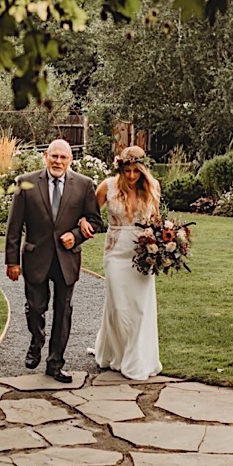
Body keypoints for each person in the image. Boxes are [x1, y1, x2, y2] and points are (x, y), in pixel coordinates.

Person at [5, 139, 104, 383]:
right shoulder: (25, 183)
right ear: (46, 157)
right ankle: (36, 340)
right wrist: (12, 261)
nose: (58, 161)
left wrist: (77, 234)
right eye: (54, 156)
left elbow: (96, 221)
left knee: (63, 312)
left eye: (63, 157)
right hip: (35, 256)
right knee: (35, 308)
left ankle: (55, 363)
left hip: (67, 259)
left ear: (71, 160)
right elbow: (14, 226)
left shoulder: (84, 185)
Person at [82, 145, 164, 381]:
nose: (130, 176)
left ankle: (136, 359)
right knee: (119, 307)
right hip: (115, 253)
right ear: (120, 168)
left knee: (139, 308)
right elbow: (89, 213)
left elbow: (157, 222)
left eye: (135, 171)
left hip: (143, 254)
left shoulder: (153, 187)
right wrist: (82, 223)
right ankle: (116, 354)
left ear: (143, 170)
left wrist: (163, 245)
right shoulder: (107, 186)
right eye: (126, 170)